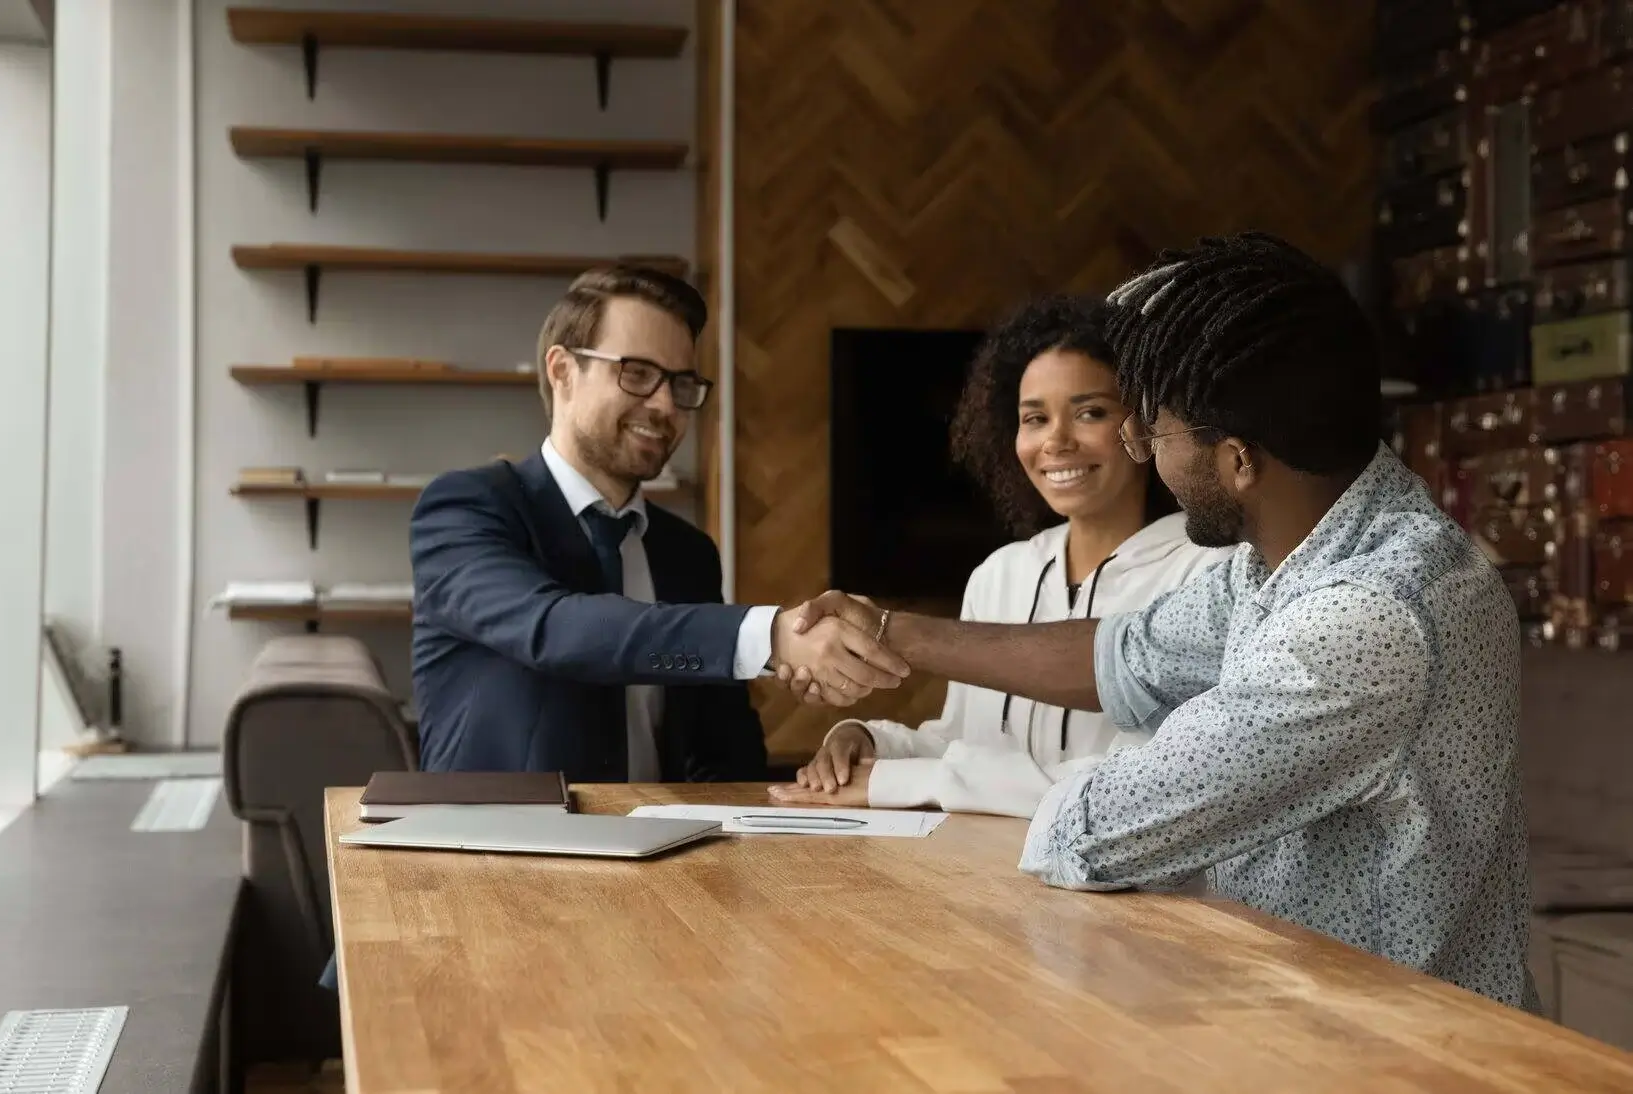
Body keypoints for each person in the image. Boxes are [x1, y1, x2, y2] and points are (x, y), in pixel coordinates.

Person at [778, 233, 1535, 1010]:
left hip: (1402, 1041)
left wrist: (930, 778)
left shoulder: (1361, 617)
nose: (1140, 448)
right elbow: (1125, 656)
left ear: (1237, 460)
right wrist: (888, 631)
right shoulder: (1298, 551)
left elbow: (1091, 831)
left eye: (1154, 428)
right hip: (1297, 1014)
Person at [409, 265, 907, 780]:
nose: (666, 404)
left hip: (658, 831)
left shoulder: (687, 552)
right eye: (638, 374)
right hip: (491, 832)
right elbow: (552, 628)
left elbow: (724, 751)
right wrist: (770, 637)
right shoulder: (465, 508)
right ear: (562, 371)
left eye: (681, 383)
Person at [767, 295, 1230, 817]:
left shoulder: (1209, 574)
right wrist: (870, 744)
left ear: (1145, 426)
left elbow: (1139, 782)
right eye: (1035, 418)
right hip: (978, 864)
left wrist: (901, 781)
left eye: (1090, 413)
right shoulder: (999, 573)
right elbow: (961, 742)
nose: (1056, 441)